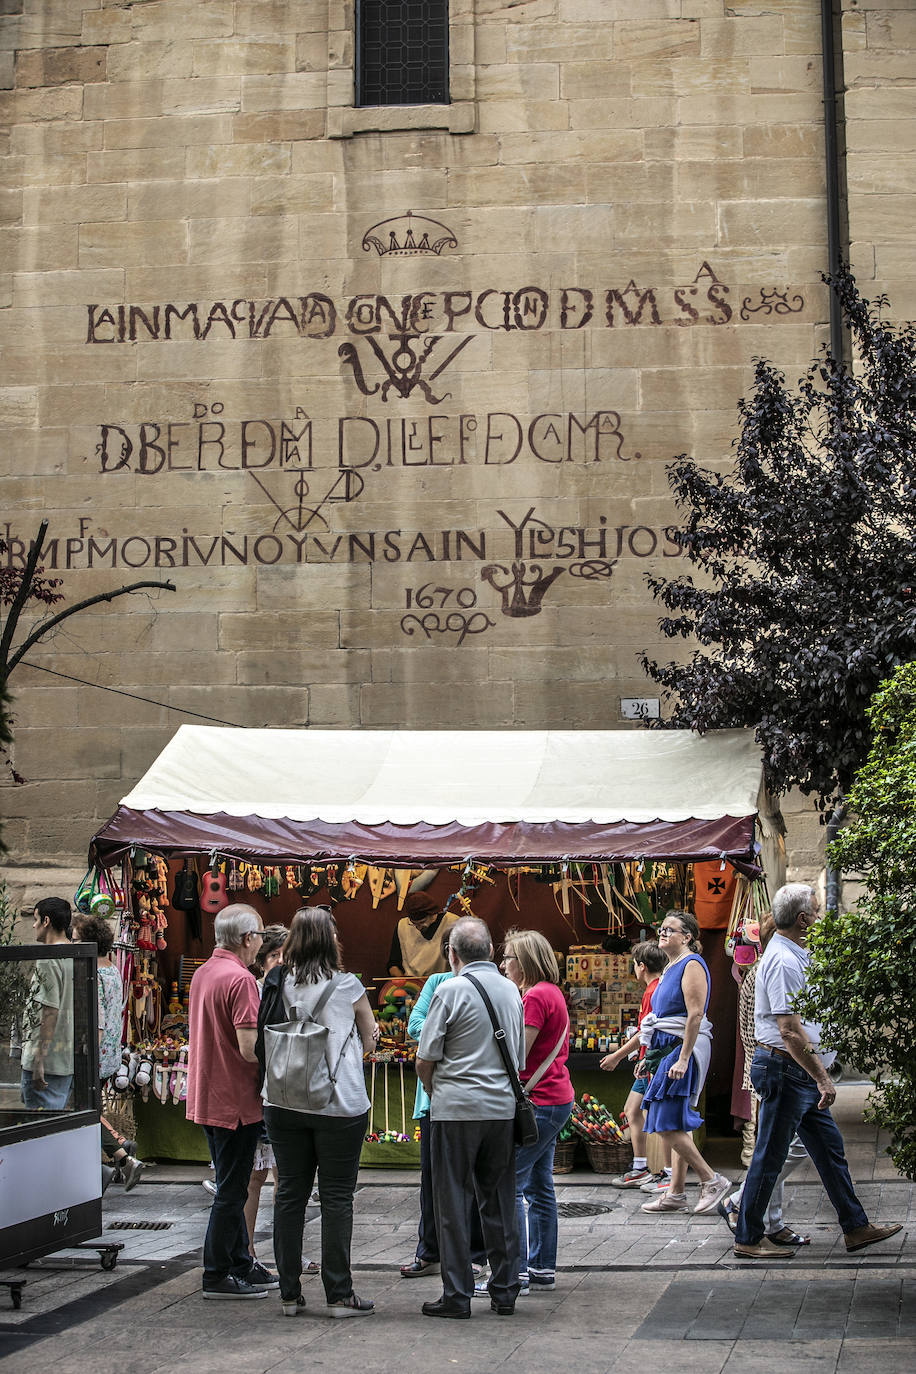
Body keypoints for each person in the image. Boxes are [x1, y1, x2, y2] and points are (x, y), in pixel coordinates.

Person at [733, 883, 902, 1260]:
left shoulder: (795, 952)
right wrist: (823, 1077)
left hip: (798, 1074)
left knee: (829, 1150)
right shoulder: (782, 960)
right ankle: (748, 1236)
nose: (820, 917)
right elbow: (789, 1030)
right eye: (816, 910)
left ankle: (855, 1227)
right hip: (786, 1071)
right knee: (770, 1155)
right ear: (803, 918)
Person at [257, 906, 377, 1318]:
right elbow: (370, 1039)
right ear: (331, 942)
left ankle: (289, 1293)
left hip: (283, 1100)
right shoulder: (348, 986)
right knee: (337, 1197)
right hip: (339, 1104)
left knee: (290, 1193)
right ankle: (339, 1294)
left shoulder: (274, 981)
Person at [415, 916, 525, 1320]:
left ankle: (457, 1294)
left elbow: (425, 1058)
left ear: (452, 953)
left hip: (456, 1112)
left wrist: (436, 1089)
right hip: (501, 1111)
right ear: (492, 952)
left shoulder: (450, 989)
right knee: (499, 1202)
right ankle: (505, 1290)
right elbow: (520, 1058)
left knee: (453, 1203)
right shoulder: (512, 991)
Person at [186, 903, 276, 1299]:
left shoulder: (205, 972)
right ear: (246, 939)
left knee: (232, 1184)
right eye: (258, 934)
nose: (260, 942)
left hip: (210, 1094)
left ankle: (241, 1262)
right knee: (232, 1190)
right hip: (236, 1100)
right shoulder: (240, 980)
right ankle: (216, 1272)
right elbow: (247, 1047)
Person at [399, 930, 486, 1279]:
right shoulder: (436, 982)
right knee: (432, 1180)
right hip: (433, 1099)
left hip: (472, 1097)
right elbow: (415, 1024)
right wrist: (454, 1035)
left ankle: (476, 1253)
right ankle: (429, 1251)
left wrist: (442, 1036)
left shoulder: (488, 983)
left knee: (477, 1180)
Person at [718, 912, 809, 1245]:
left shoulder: (774, 967)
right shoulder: (765, 971)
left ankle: (771, 1221)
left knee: (779, 1147)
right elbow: (756, 1033)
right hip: (775, 1069)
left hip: (785, 1069)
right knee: (779, 1148)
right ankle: (746, 1205)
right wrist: (755, 1080)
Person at [495, 927, 574, 1295]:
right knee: (540, 1187)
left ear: (524, 961)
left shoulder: (535, 998)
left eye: (508, 957)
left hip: (538, 1101)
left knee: (509, 1184)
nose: (503, 964)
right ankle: (541, 1267)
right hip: (555, 1097)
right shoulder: (552, 992)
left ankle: (515, 1272)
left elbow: (519, 1056)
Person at [638, 910, 732, 1216]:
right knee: (675, 1121)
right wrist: (647, 1055)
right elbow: (661, 1019)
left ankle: (711, 1179)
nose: (662, 933)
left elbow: (694, 1015)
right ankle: (676, 1193)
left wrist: (682, 1058)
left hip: (681, 1050)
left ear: (687, 937)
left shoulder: (691, 964)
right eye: (661, 929)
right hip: (666, 1049)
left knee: (665, 1121)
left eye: (670, 930)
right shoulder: (670, 966)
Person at [242, 924, 321, 1274]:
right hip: (258, 1094)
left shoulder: (297, 991)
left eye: (285, 955)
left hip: (285, 1095)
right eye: (274, 954)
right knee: (253, 1179)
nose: (281, 960)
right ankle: (247, 1252)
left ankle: (289, 1252)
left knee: (288, 1179)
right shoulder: (256, 991)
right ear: (262, 961)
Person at [73, 913, 144, 1192]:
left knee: (83, 1112)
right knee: (91, 1110)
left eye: (75, 939)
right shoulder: (112, 970)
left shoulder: (94, 974)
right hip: (108, 1056)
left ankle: (121, 1155)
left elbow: (98, 1021)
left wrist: (86, 1053)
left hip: (93, 1054)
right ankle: (115, 1154)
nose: (71, 943)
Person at [600, 940, 671, 1189]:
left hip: (652, 1061)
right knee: (632, 1110)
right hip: (646, 1061)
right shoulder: (654, 989)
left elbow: (645, 1032)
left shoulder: (653, 992)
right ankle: (640, 1166)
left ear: (641, 966)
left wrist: (617, 1055)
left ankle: (667, 1172)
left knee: (658, 1116)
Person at [21, 897, 74, 1112]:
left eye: (35, 920)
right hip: (66, 1058)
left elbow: (49, 1011)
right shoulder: (76, 954)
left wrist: (38, 1060)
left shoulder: (48, 958)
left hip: (49, 1061)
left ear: (46, 921)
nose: (33, 926)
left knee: (38, 1129)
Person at [388, 891, 457, 978]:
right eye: (413, 923)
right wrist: (404, 983)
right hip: (412, 984)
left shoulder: (453, 924)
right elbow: (393, 964)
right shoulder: (402, 926)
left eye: (422, 922)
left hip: (443, 983)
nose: (418, 928)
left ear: (433, 914)